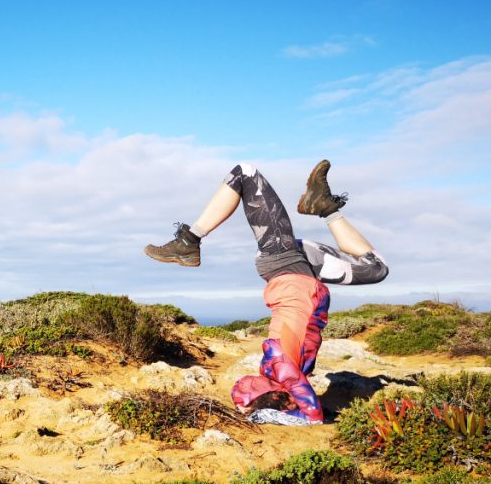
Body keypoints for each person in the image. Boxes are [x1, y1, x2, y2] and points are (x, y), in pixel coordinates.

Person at [144, 160, 388, 425]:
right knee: (376, 268)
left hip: (285, 264)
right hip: (297, 268)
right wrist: (269, 414)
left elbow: (311, 414)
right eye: (251, 391)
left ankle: (189, 241)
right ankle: (325, 207)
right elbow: (312, 414)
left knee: (244, 173)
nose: (247, 384)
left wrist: (264, 414)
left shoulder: (278, 368)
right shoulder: (288, 372)